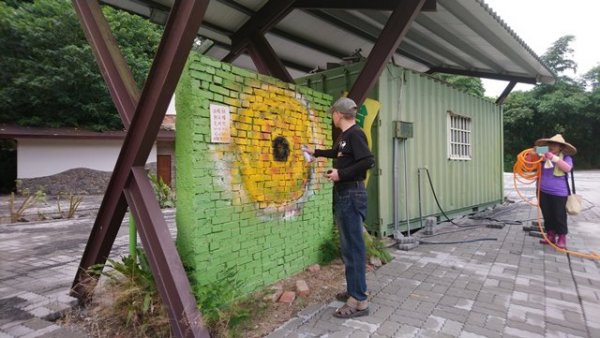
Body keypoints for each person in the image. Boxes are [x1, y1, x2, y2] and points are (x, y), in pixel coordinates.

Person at [303, 97, 375, 318]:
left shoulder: (355, 133)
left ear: (338, 114)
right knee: (347, 247)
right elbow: (337, 154)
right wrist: (314, 152)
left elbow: (367, 161)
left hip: (352, 193)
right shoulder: (345, 136)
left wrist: (340, 174)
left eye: (332, 113)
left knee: (353, 248)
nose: (331, 116)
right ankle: (354, 290)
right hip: (345, 193)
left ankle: (359, 301)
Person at [531, 134, 576, 249]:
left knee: (559, 216)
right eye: (550, 144)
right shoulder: (542, 154)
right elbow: (528, 157)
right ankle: (550, 235)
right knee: (547, 214)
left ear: (561, 147)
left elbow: (567, 168)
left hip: (559, 193)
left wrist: (554, 158)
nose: (552, 146)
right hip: (542, 190)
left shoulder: (566, 157)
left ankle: (562, 237)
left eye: (555, 145)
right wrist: (536, 152)